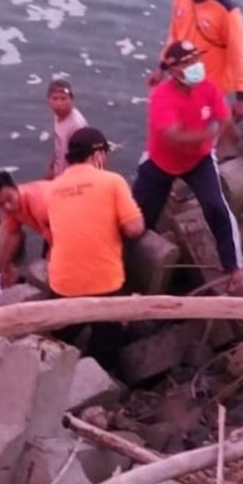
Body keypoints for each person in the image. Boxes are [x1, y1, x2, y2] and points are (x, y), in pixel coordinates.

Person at [133, 40, 243, 287]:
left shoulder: (208, 88)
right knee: (138, 220)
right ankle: (129, 270)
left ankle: (234, 265)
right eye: (187, 63)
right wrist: (209, 134)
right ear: (173, 70)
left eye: (196, 60)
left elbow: (224, 119)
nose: (195, 66)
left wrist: (233, 134)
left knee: (217, 207)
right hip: (161, 161)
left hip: (199, 159)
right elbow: (173, 136)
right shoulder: (162, 96)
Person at [46, 127, 145, 369]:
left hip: (63, 285)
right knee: (107, 346)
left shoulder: (53, 189)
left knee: (63, 333)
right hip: (104, 284)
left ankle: (60, 350)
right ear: (97, 154)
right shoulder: (112, 181)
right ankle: (97, 371)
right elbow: (135, 228)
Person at [148, 0, 243, 123]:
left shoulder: (227, 12)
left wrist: (241, 98)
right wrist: (162, 67)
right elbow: (174, 35)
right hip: (181, 80)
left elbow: (238, 54)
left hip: (211, 85)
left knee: (201, 132)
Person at [0, 169, 52, 284]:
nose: (7, 207)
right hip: (50, 229)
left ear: (15, 188)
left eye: (9, 199)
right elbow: (13, 234)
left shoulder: (38, 203)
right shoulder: (8, 211)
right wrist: (5, 267)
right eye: (0, 204)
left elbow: (61, 236)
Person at [46, 78, 88, 179]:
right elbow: (59, 144)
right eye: (54, 99)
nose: (59, 103)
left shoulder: (77, 125)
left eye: (63, 98)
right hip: (59, 171)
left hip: (71, 177)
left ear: (72, 100)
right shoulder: (58, 114)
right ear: (48, 100)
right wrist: (52, 168)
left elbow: (82, 159)